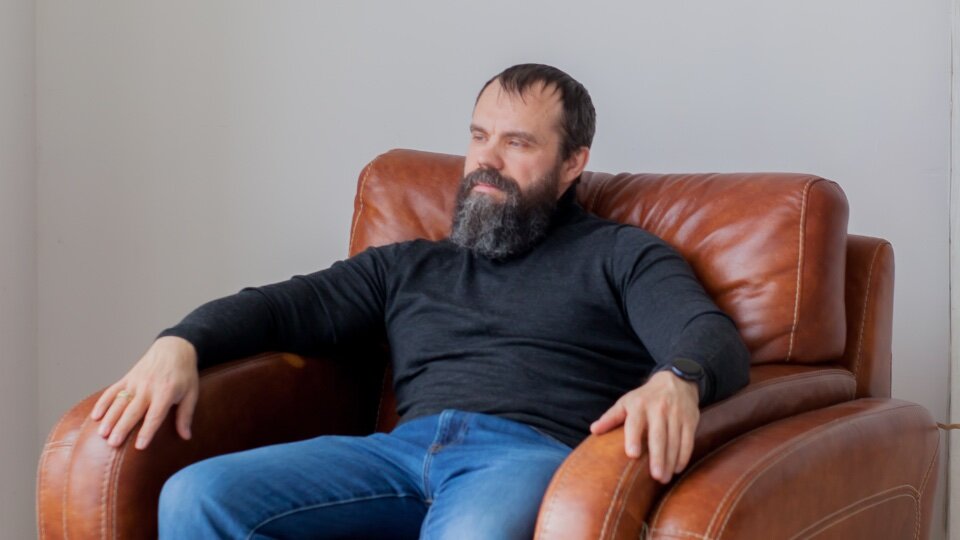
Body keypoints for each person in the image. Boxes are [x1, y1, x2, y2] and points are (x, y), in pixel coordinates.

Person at [90, 63, 750, 539]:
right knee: (197, 496)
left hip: (526, 456)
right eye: (479, 136)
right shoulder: (409, 265)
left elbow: (706, 332)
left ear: (573, 162)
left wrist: (678, 379)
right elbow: (282, 307)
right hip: (398, 455)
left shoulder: (621, 255)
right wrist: (180, 341)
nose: (487, 160)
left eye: (517, 143)